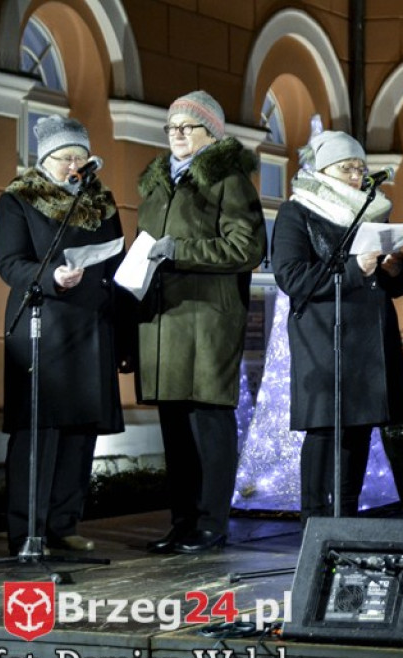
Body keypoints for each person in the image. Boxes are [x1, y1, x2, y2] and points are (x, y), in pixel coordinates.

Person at [136, 91, 266, 554]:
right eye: (170, 126)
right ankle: (182, 521)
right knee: (175, 428)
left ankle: (212, 523)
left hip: (209, 320)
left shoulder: (227, 178)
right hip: (163, 323)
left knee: (209, 424)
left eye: (186, 126)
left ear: (210, 132)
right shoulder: (157, 184)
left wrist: (179, 251)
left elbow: (245, 248)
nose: (175, 134)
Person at [0, 114, 129, 555]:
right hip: (44, 326)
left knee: (79, 432)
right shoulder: (20, 198)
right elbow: (11, 263)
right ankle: (26, 531)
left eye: (80, 156)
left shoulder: (102, 202)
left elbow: (114, 258)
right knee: (40, 431)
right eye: (65, 157)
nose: (74, 164)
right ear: (46, 160)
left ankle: (64, 523)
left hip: (91, 326)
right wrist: (51, 275)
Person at [272, 130, 403, 523]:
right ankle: (315, 524)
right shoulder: (297, 212)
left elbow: (389, 286)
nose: (357, 176)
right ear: (323, 171)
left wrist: (393, 270)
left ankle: (345, 520)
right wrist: (355, 268)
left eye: (360, 168)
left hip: (368, 339)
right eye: (347, 168)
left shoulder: (373, 213)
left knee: (358, 432)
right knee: (325, 432)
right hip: (322, 338)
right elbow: (291, 276)